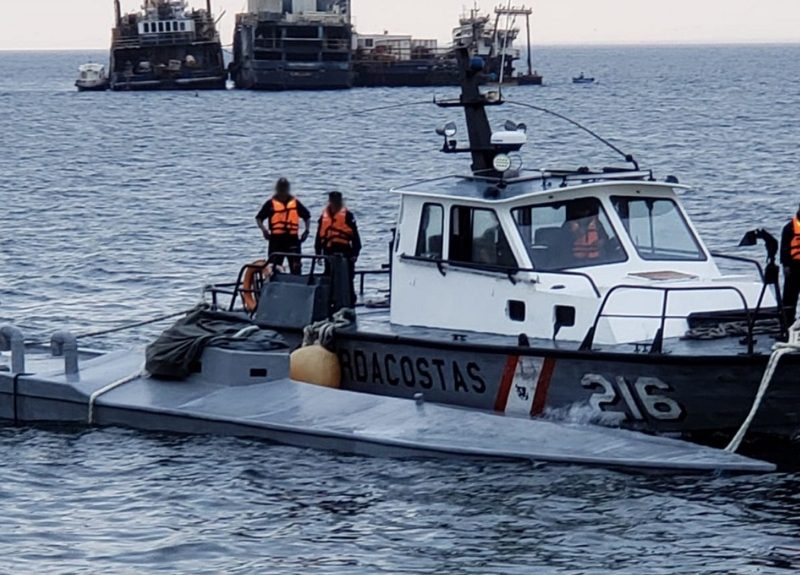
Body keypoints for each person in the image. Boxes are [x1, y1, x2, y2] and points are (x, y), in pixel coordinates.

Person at [255, 178, 311, 275]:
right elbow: (259, 218)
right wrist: (264, 230)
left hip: (292, 239)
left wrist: (307, 230)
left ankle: (296, 283)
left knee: (296, 267)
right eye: (281, 188)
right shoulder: (270, 204)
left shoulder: (295, 203)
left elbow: (307, 216)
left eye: (284, 188)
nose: (283, 190)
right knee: (274, 268)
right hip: (276, 240)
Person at [315, 192, 362, 306]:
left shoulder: (348, 216)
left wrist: (355, 253)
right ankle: (330, 301)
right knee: (328, 276)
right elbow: (318, 236)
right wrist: (318, 253)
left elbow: (355, 237)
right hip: (328, 251)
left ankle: (350, 301)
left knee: (348, 276)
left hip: (345, 250)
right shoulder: (324, 217)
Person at [780, 204, 800, 319]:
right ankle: (787, 323)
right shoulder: (789, 228)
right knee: (789, 298)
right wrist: (785, 265)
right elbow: (784, 248)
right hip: (793, 267)